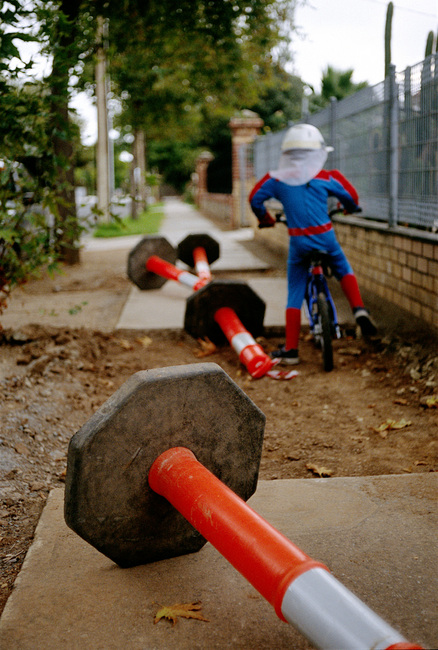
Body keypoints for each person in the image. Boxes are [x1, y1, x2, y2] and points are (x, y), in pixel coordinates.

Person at [249, 123, 376, 365]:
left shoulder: (275, 180)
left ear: (287, 153)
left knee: (295, 292)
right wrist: (350, 209)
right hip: (325, 238)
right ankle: (359, 309)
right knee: (342, 267)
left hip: (299, 242)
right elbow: (350, 197)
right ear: (318, 153)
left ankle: (291, 350)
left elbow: (255, 199)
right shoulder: (326, 177)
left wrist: (265, 219)